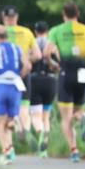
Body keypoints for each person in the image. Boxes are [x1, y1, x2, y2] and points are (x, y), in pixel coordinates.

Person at [43, 2, 85, 163]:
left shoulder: (56, 31)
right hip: (83, 72)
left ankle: (74, 151)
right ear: (77, 14)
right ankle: (83, 117)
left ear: (64, 14)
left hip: (66, 73)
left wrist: (53, 65)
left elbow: (45, 54)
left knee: (66, 117)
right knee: (78, 110)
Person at [0, 24, 31, 165]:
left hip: (1, 85)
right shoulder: (17, 48)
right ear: (7, 37)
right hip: (15, 85)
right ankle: (12, 136)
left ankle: (6, 152)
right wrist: (19, 75)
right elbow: (28, 66)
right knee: (8, 122)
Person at [1, 6, 41, 142]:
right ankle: (27, 134)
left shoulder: (1, 31)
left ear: (4, 17)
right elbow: (38, 55)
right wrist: (26, 60)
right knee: (24, 106)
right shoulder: (26, 32)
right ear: (17, 17)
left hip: (4, 74)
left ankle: (8, 144)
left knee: (5, 110)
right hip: (23, 71)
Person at [28, 21, 57, 158]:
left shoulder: (31, 42)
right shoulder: (52, 43)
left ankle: (40, 137)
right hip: (51, 80)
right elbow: (58, 61)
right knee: (46, 116)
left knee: (35, 116)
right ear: (48, 31)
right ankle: (44, 148)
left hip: (34, 80)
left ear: (35, 31)